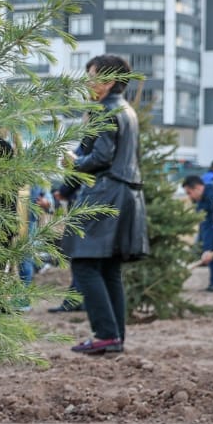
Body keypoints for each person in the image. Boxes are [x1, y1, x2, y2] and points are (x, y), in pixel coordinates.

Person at [60, 55, 148, 356]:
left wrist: (73, 161)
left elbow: (99, 158)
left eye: (92, 76)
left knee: (84, 264)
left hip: (105, 194)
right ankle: (114, 337)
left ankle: (105, 334)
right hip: (127, 195)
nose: (87, 82)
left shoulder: (104, 111)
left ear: (109, 81)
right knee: (109, 268)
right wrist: (64, 189)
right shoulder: (127, 110)